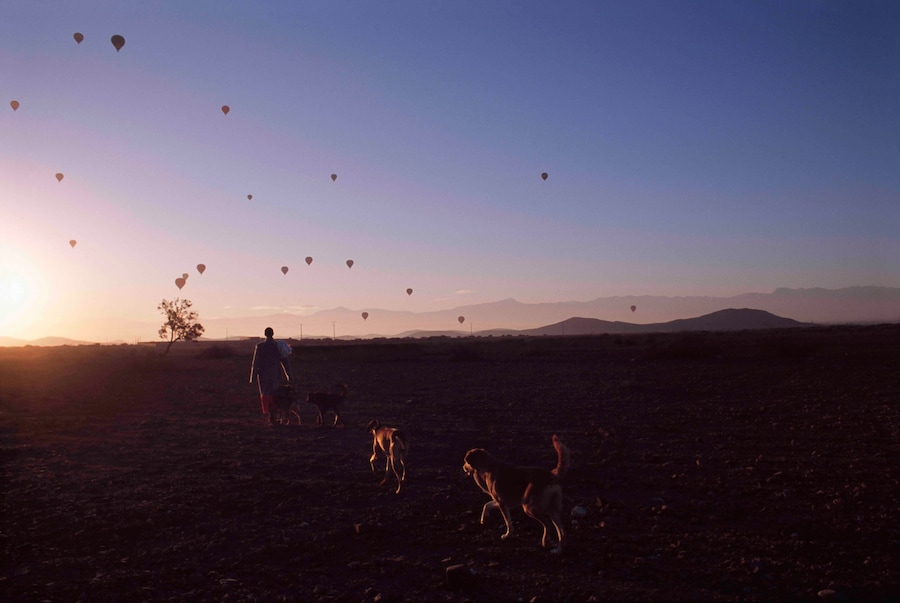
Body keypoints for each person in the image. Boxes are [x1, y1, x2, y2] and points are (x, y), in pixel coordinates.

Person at [249, 327, 293, 424]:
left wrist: (252, 376)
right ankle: (275, 414)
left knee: (266, 394)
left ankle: (271, 415)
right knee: (275, 394)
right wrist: (289, 375)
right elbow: (285, 362)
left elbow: (255, 363)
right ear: (273, 334)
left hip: (263, 375)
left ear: (265, 334)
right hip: (275, 374)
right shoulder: (278, 346)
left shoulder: (260, 346)